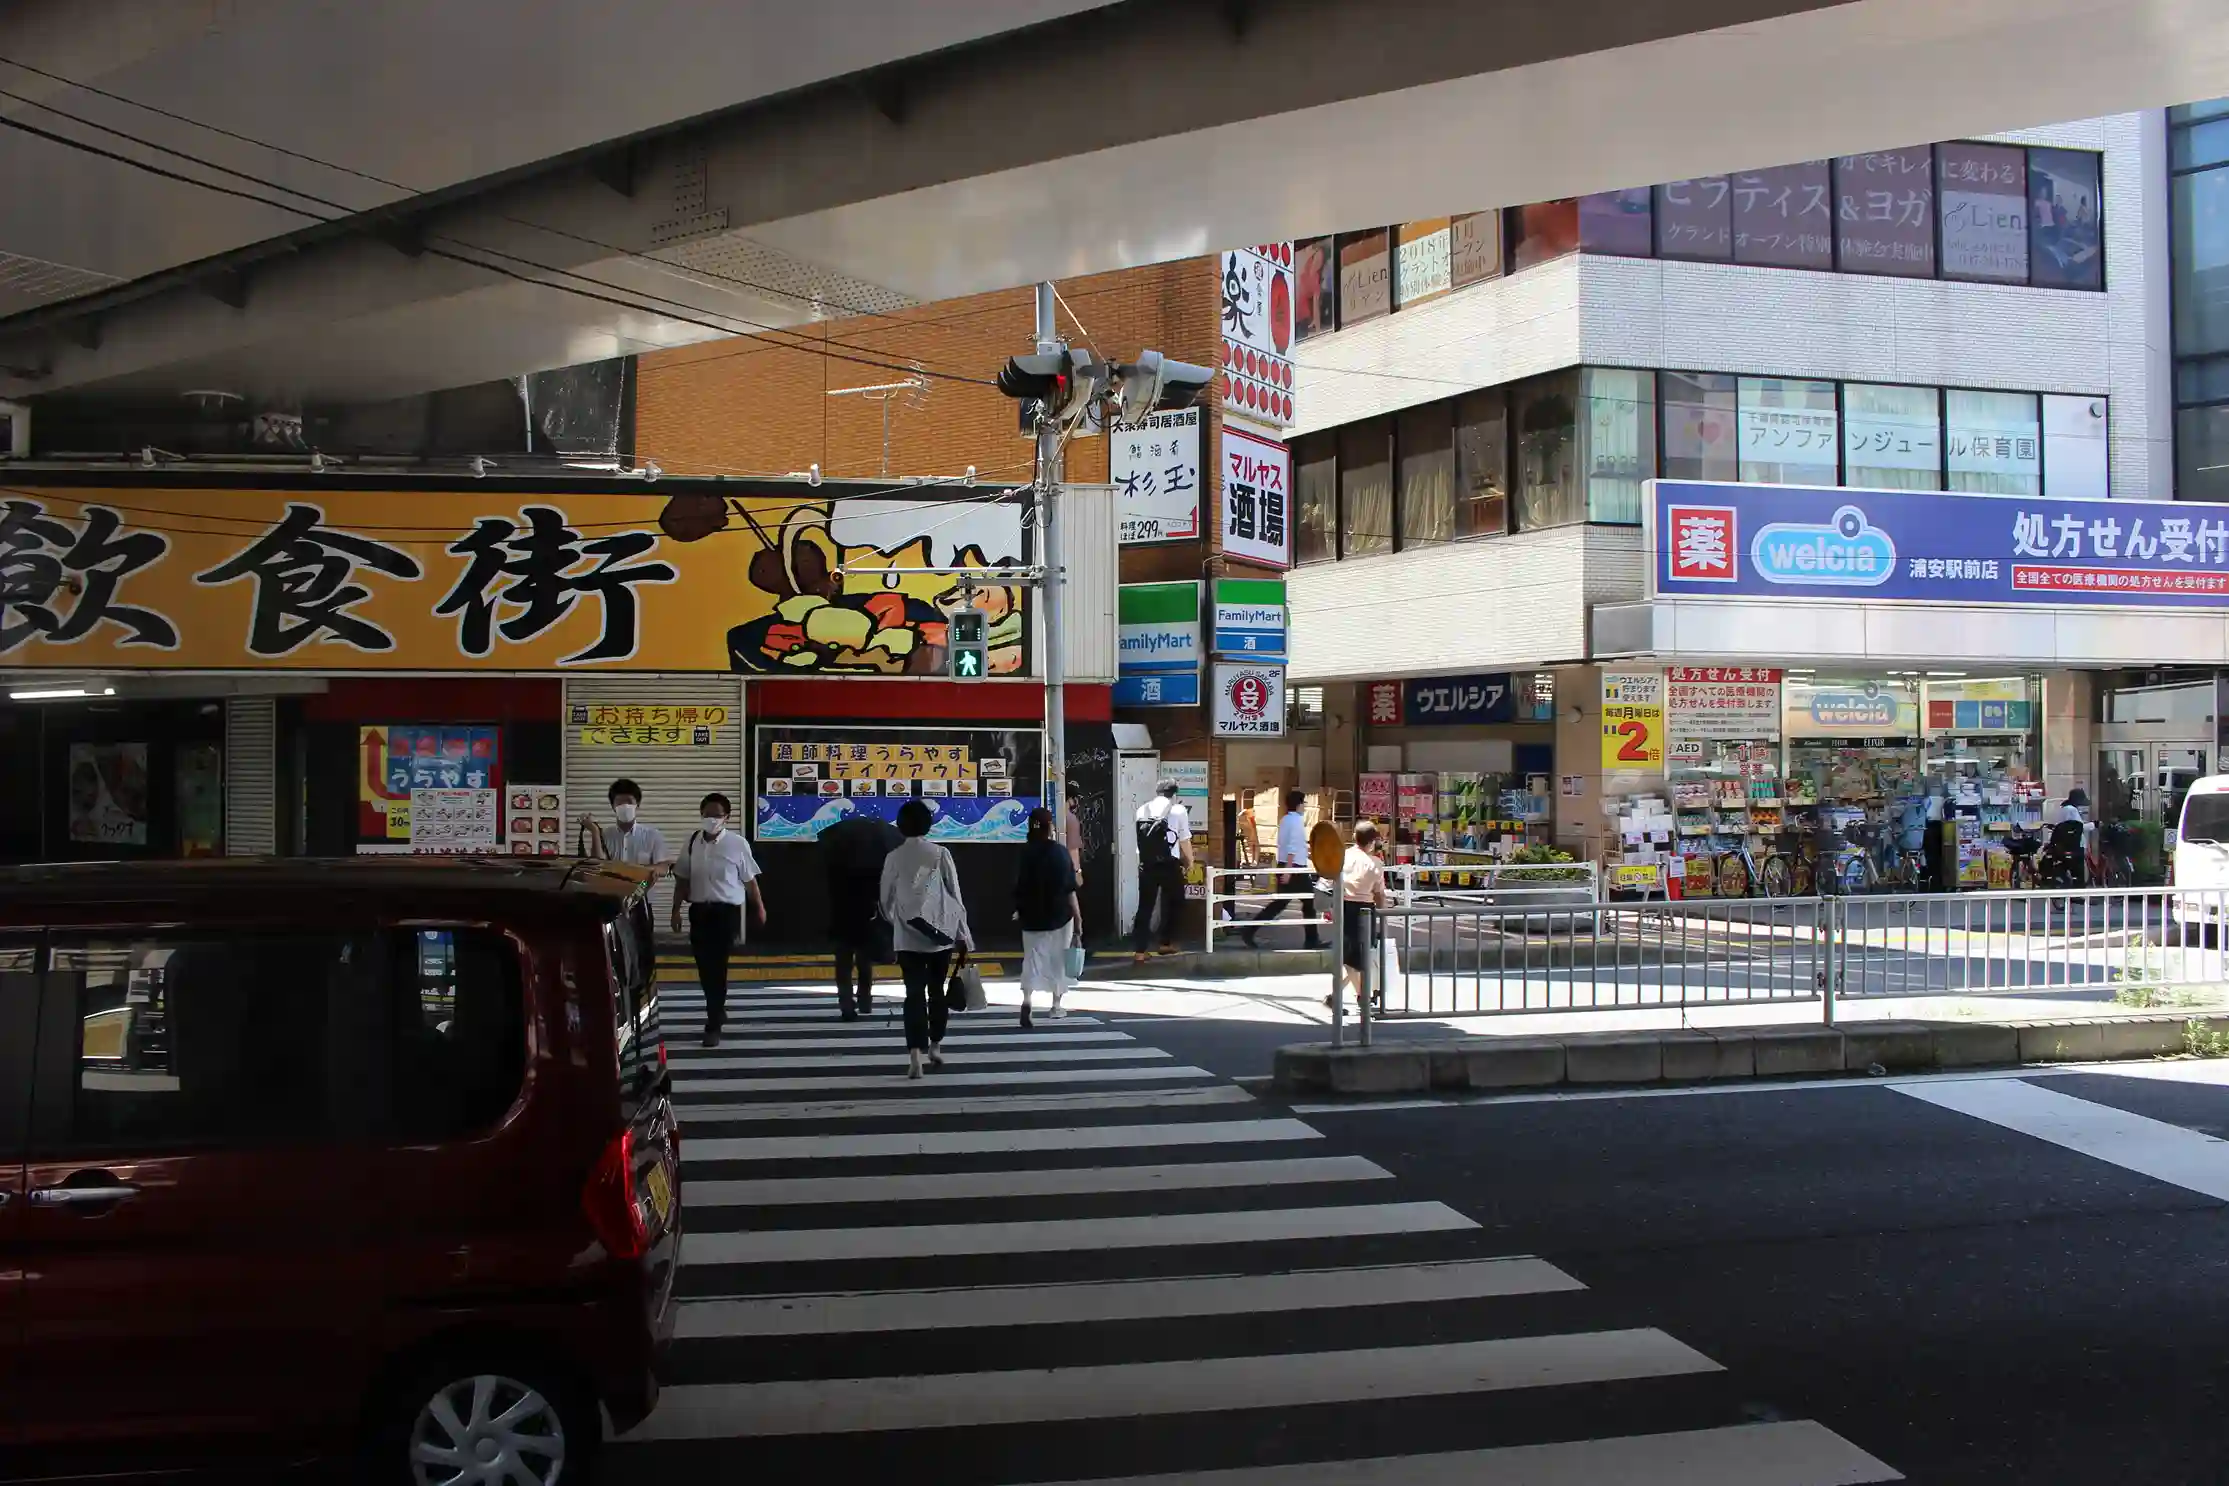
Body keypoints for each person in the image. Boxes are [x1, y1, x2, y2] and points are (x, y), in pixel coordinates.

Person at [880, 799, 973, 1079]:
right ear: (928, 824)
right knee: (936, 991)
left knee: (913, 995)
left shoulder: (893, 857)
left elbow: (886, 900)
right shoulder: (940, 854)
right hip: (939, 938)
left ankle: (914, 1058)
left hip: (907, 939)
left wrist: (896, 919)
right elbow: (954, 895)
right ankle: (935, 1047)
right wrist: (962, 932)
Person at [669, 793, 764, 1047]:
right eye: (707, 814)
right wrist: (675, 910)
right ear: (701, 815)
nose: (711, 819)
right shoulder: (692, 842)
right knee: (703, 965)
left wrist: (760, 908)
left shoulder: (737, 843)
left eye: (717, 815)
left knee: (717, 965)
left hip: (726, 913)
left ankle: (713, 1023)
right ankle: (717, 1007)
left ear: (727, 818)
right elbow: (682, 878)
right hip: (699, 911)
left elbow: (750, 880)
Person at [819, 808, 902, 1020]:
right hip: (867, 917)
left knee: (843, 963)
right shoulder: (877, 863)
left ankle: (846, 1004)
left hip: (842, 917)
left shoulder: (837, 862)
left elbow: (830, 891)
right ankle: (865, 1000)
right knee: (864, 961)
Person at [1015, 805, 1081, 1026]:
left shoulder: (1024, 853)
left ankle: (1026, 1000)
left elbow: (1017, 885)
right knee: (1058, 959)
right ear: (1050, 827)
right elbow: (1070, 888)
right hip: (1060, 915)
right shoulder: (1060, 853)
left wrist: (1018, 908)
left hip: (1031, 917)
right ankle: (1056, 1005)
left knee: (1032, 957)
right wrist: (1079, 919)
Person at [1244, 788, 1324, 950]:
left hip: (1288, 866)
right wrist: (1289, 870)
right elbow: (1292, 848)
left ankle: (1249, 930)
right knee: (1308, 903)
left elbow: (1290, 845)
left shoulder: (1286, 820)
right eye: (1304, 804)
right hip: (1294, 869)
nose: (1305, 807)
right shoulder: (1296, 822)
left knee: (1282, 903)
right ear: (1299, 804)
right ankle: (1311, 940)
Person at [1131, 779, 1192, 963]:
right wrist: (1189, 861)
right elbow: (1184, 840)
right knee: (1176, 901)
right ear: (1174, 794)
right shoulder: (1178, 810)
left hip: (1147, 864)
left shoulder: (1142, 810)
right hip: (1169, 864)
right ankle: (1166, 943)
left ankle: (1140, 951)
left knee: (1145, 906)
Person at [1336, 821, 1389, 1012]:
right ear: (1373, 841)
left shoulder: (1343, 855)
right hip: (1365, 910)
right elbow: (1379, 894)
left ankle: (1342, 995)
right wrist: (1384, 916)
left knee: (1349, 957)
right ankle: (1362, 995)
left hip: (1342, 905)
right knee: (1361, 958)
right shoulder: (1374, 863)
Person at [598, 778, 669, 868]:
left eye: (629, 802)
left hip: (642, 883)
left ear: (637, 804)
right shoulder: (603, 836)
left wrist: (644, 872)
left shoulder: (652, 835)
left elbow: (662, 867)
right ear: (613, 806)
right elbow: (596, 865)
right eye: (620, 802)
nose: (625, 806)